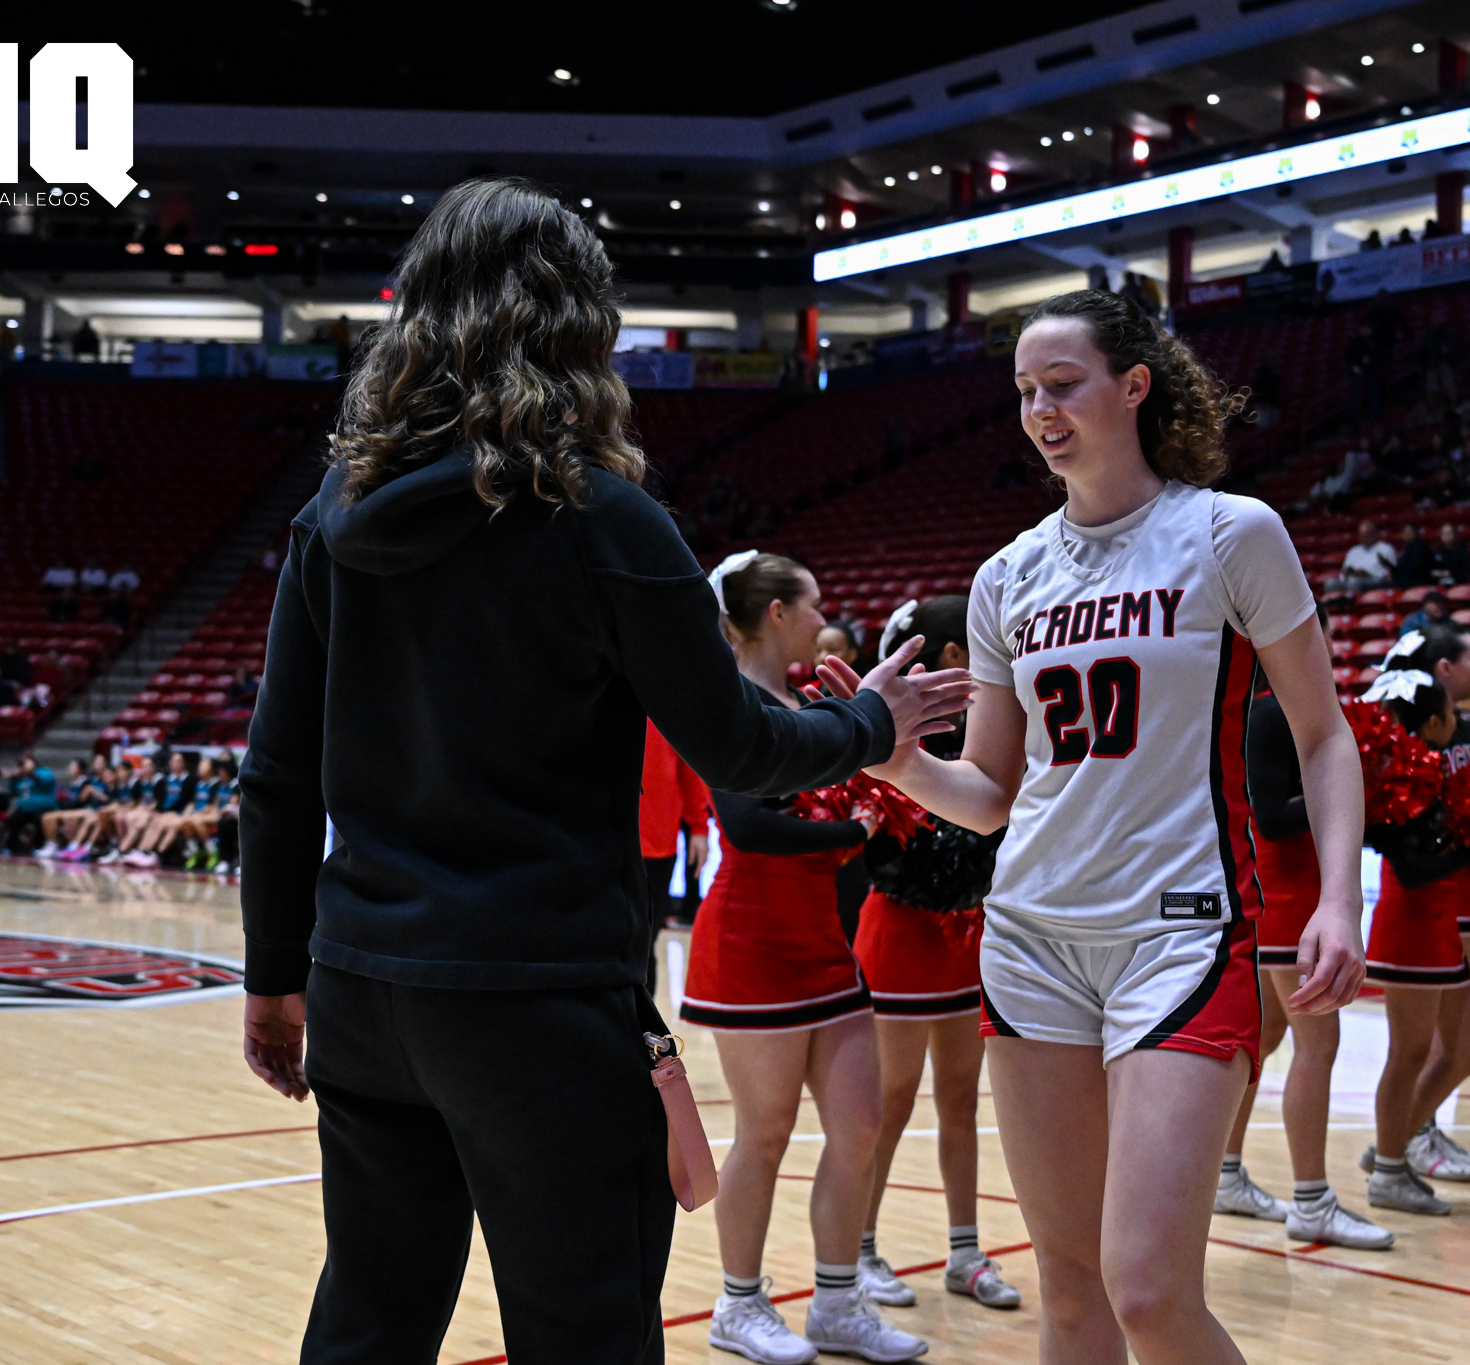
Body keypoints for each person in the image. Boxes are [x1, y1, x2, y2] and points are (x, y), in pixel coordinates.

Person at [233, 177, 974, 1365]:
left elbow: (274, 780)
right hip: (535, 999)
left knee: (369, 1317)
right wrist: (870, 728)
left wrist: (274, 979)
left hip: (362, 989)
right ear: (579, 325)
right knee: (585, 1331)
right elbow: (736, 743)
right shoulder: (602, 517)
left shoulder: (334, 515)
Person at [818, 289, 1366, 1364]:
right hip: (1029, 943)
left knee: (1150, 1292)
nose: (1039, 410)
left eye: (1061, 385)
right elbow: (988, 795)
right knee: (1069, 1298)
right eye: (1024, 392)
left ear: (1133, 385)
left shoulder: (1227, 533)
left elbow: (1323, 737)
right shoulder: (1004, 576)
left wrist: (1340, 898)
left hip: (1180, 934)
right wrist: (895, 762)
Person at [678, 552, 928, 1365]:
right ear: (778, 612)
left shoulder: (816, 701)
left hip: (825, 944)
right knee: (766, 1132)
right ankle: (738, 1304)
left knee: (860, 1123)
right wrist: (852, 833)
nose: (827, 613)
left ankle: (836, 1302)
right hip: (751, 945)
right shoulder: (728, 704)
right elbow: (750, 828)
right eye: (814, 601)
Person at [849, 596, 1027, 1309]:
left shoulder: (991, 729)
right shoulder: (897, 726)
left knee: (959, 1098)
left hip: (965, 938)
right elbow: (885, 847)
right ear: (954, 657)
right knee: (890, 1103)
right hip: (897, 937)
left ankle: (965, 1251)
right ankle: (858, 1250)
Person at [1218, 628, 1395, 1249]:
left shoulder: (1279, 711)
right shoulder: (1268, 714)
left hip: (1287, 896)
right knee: (1317, 1046)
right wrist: (1357, 792)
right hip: (1288, 898)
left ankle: (1226, 1175)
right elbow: (1271, 814)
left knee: (1261, 1041)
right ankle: (1312, 1199)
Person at [1364, 627, 1470, 1194]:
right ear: (1434, 721)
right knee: (1411, 1052)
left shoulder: (1434, 758)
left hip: (1442, 918)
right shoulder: (1405, 770)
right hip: (1412, 919)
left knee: (1464, 1050)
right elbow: (1413, 865)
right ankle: (1392, 1167)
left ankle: (1392, 1145)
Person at [639, 720, 710, 955]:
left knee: (647, 945)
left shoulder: (665, 698)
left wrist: (699, 827)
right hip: (603, 842)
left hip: (658, 844)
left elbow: (688, 770)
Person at [1333, 518, 1395, 592]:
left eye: (1368, 535)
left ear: (1374, 533)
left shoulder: (1386, 548)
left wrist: (1368, 575)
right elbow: (1344, 573)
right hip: (1351, 582)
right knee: (1330, 583)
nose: (1366, 538)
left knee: (1357, 581)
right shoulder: (1354, 551)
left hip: (1374, 583)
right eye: (1363, 536)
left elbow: (1390, 573)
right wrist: (1349, 572)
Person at [1428, 522, 1470, 588]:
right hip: (1439, 583)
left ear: (1454, 535)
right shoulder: (1438, 551)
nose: (1447, 536)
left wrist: (1451, 573)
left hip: (1458, 584)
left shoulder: (1462, 550)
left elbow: (1469, 570)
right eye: (1444, 533)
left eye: (1449, 533)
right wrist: (1435, 572)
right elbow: (1432, 567)